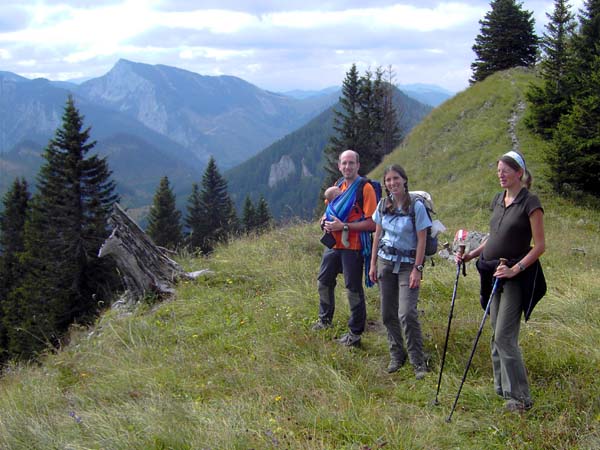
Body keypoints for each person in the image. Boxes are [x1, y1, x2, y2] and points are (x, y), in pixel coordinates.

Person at [457, 150, 545, 412]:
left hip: (515, 277)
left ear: (519, 173)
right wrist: (472, 254)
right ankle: (503, 389)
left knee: (505, 336)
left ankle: (520, 398)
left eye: (506, 170)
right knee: (495, 334)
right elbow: (492, 236)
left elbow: (539, 246)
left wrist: (515, 269)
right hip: (493, 272)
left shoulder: (531, 203)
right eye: (498, 170)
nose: (501, 174)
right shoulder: (499, 199)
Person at [368, 164, 430, 379]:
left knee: (407, 313)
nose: (392, 183)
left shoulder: (417, 207)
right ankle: (397, 354)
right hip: (386, 263)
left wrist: (417, 269)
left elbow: (422, 240)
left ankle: (417, 360)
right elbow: (377, 235)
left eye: (396, 179)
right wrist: (373, 264)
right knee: (387, 313)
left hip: (407, 266)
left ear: (404, 180)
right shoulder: (383, 204)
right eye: (388, 180)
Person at [313, 150, 377, 347]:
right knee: (324, 282)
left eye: (351, 163)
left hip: (354, 246)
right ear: (339, 166)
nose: (347, 167)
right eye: (344, 163)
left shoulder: (365, 189)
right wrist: (324, 221)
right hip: (334, 244)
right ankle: (324, 320)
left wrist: (345, 226)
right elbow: (328, 211)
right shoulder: (337, 186)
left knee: (353, 289)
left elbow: (373, 224)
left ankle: (355, 333)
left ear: (358, 165)